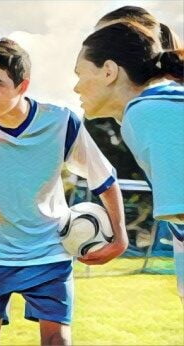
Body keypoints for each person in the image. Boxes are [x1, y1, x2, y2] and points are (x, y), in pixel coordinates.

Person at [0, 38, 128, 346]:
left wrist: (119, 236)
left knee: (57, 341)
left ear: (22, 86)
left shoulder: (61, 122)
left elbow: (104, 179)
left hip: (50, 252)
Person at [73, 22, 184, 304]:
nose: (75, 87)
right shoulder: (158, 104)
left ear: (109, 71)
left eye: (80, 74)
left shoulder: (146, 112)